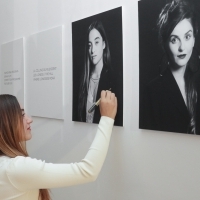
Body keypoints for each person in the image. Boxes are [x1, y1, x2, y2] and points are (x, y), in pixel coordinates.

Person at [0, 90, 117, 200]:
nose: (29, 119)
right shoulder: (15, 169)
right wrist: (107, 119)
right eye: (22, 114)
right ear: (6, 123)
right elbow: (87, 171)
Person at [141, 0, 200, 134]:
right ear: (164, 43)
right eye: (174, 39)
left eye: (187, 37)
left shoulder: (197, 82)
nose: (182, 47)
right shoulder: (152, 92)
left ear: (194, 38)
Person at [78, 20, 114, 124]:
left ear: (104, 44)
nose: (92, 50)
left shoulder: (112, 79)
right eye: (90, 45)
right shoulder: (84, 80)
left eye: (96, 42)